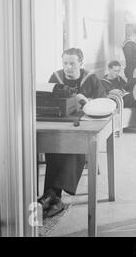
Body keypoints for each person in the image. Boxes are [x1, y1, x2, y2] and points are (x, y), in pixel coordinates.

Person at [38, 48, 107, 217]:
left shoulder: (91, 79)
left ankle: (53, 196)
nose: (68, 67)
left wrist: (87, 102)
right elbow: (47, 100)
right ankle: (52, 196)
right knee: (53, 146)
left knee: (71, 146)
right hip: (60, 124)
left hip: (83, 127)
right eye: (65, 63)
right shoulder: (56, 77)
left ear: (81, 63)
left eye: (72, 63)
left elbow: (103, 104)